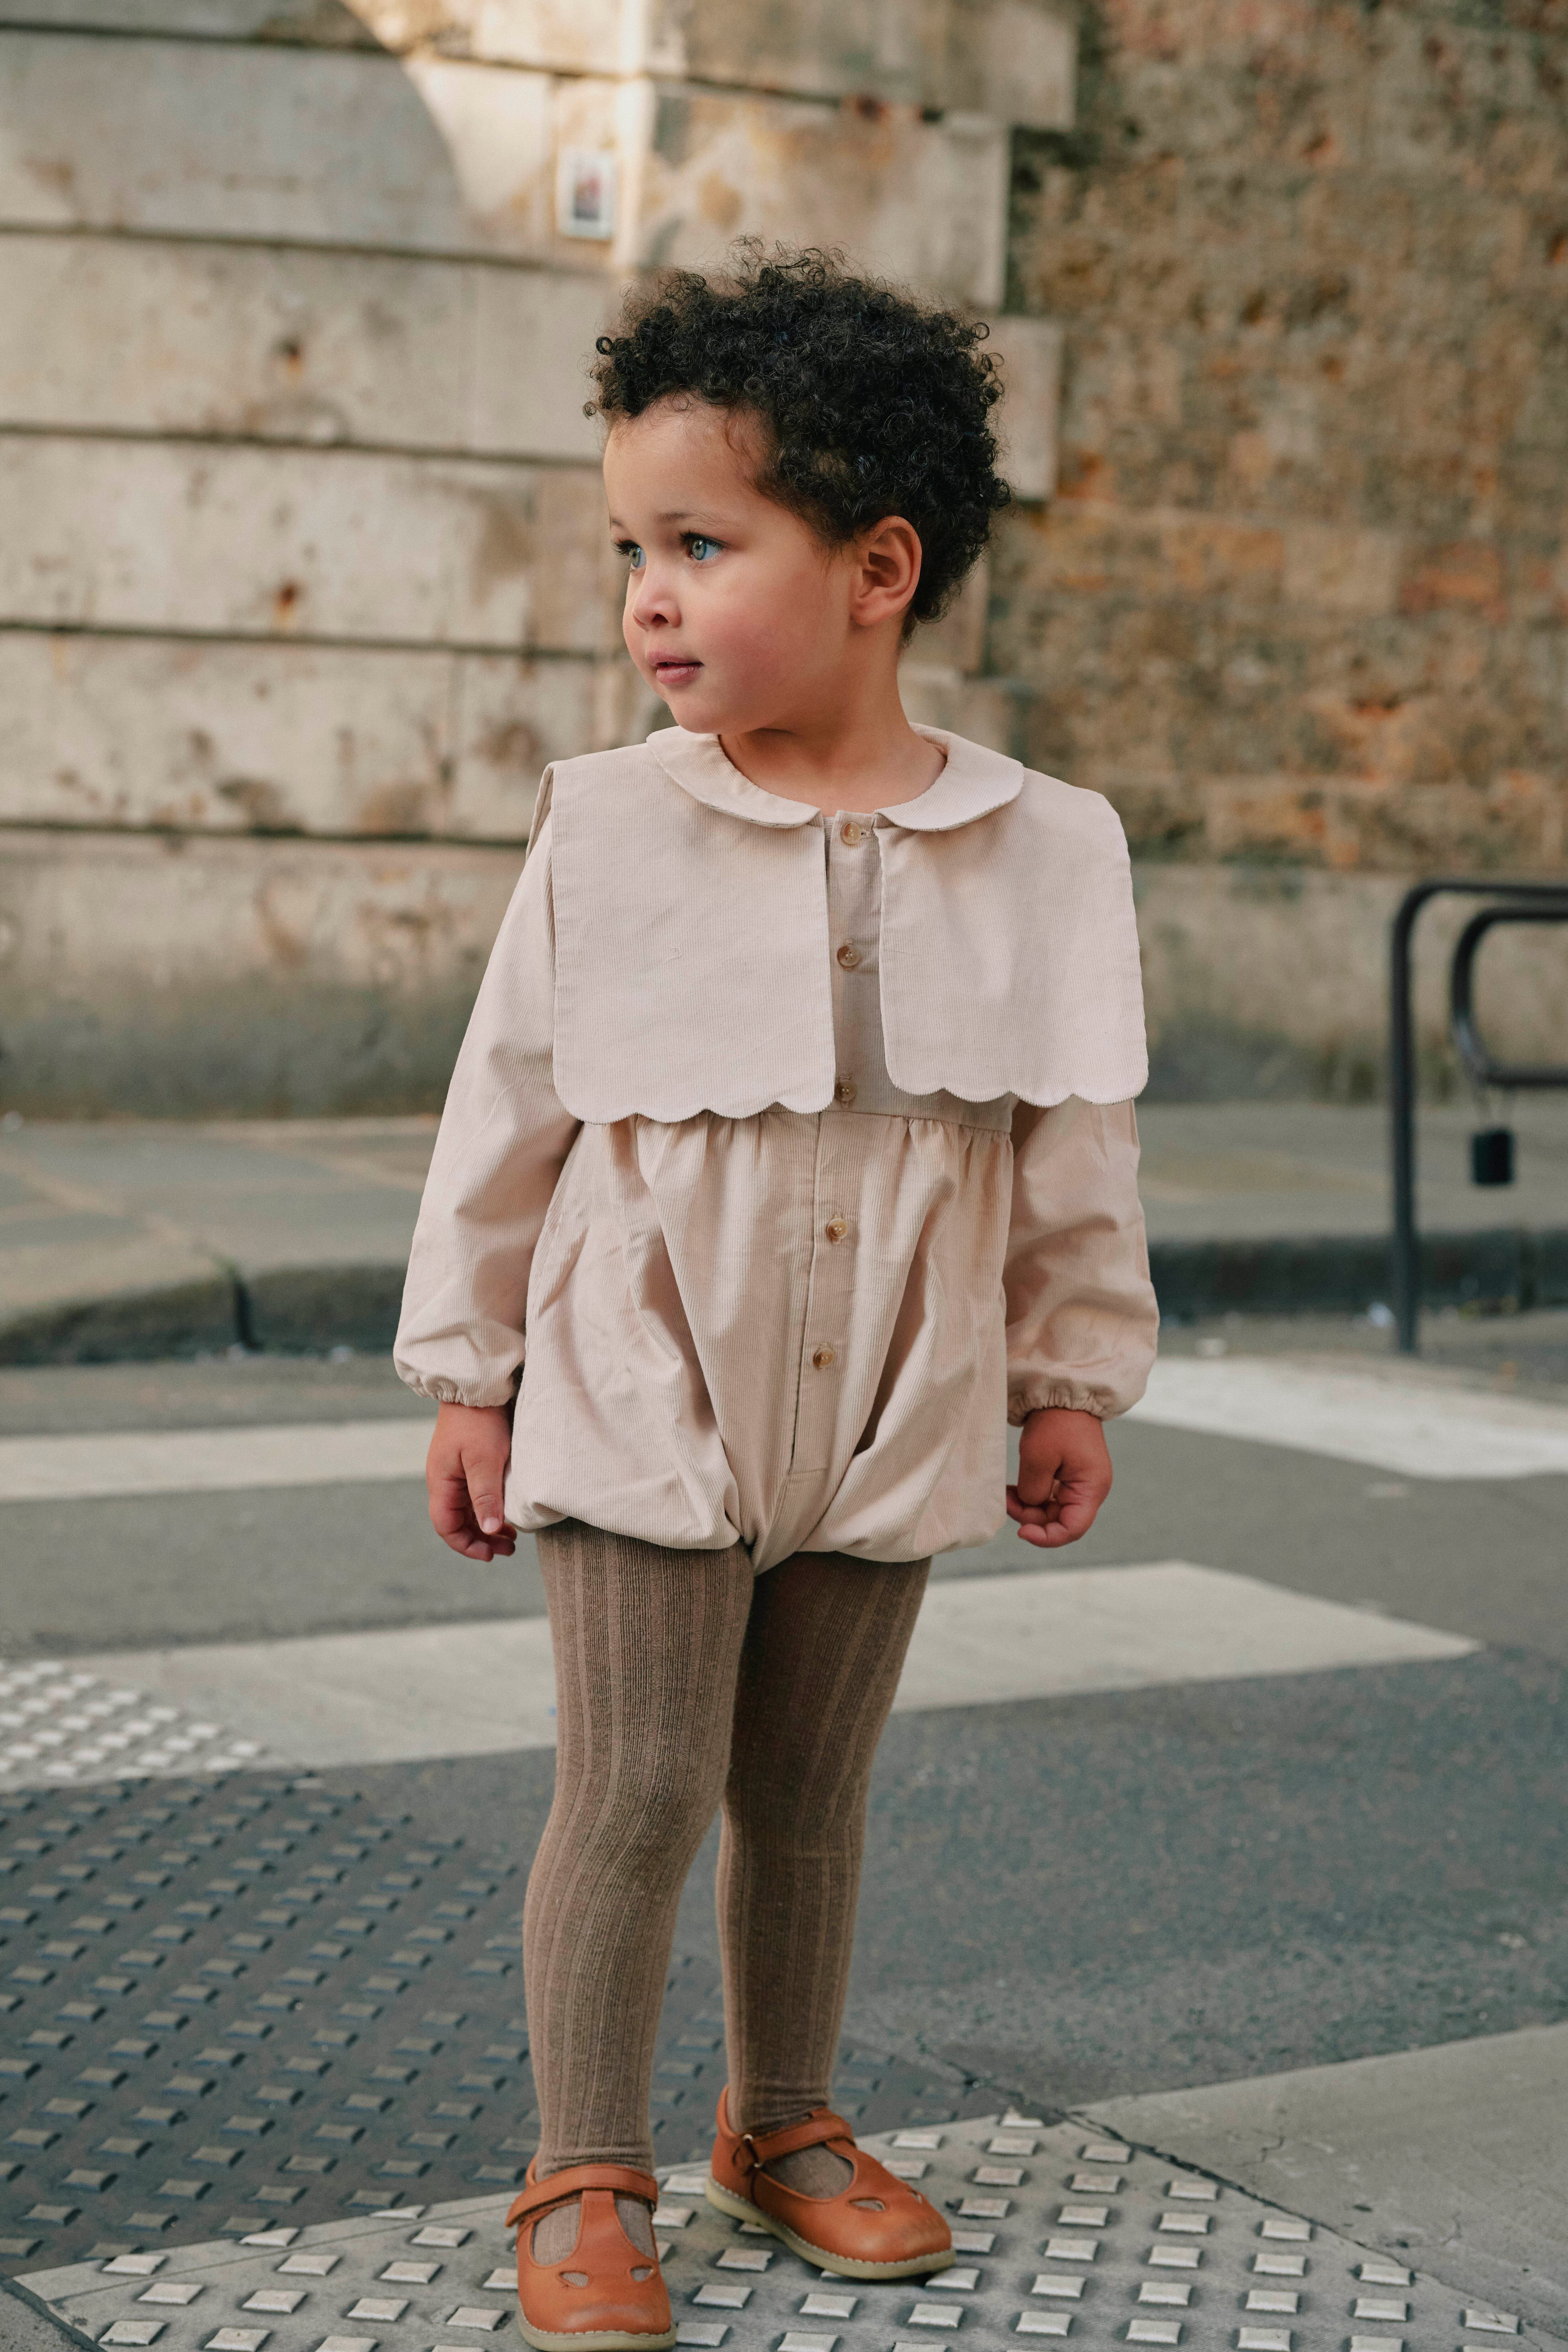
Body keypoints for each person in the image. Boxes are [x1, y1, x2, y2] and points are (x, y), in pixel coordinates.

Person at [394, 241, 1159, 2352]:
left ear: (876, 569)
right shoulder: (607, 826)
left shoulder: (1046, 847)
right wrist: (470, 1372)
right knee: (638, 1786)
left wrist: (1066, 1376)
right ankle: (583, 2164)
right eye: (629, 551)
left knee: (808, 1795)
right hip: (645, 1372)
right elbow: (506, 1107)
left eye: (701, 545)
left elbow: (1071, 1143)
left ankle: (782, 2122)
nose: (648, 596)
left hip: (900, 1385)